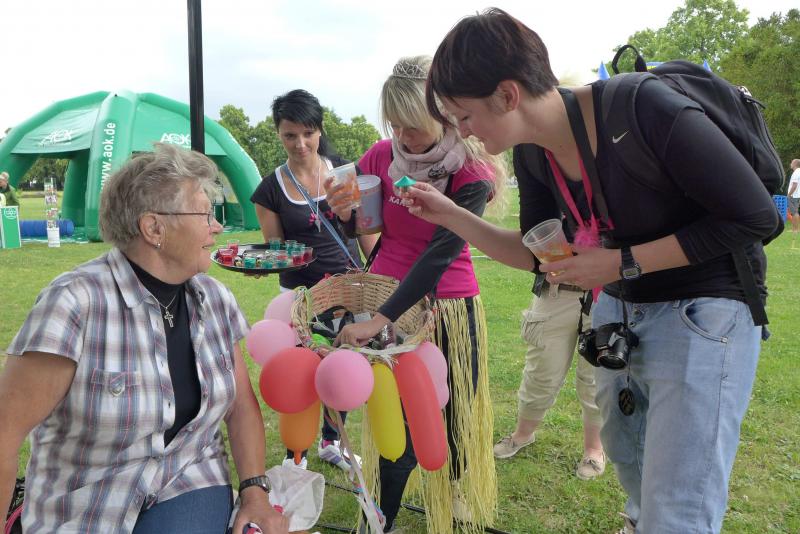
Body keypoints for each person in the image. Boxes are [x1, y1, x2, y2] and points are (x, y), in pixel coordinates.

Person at [404, 8, 779, 534]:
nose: (463, 131)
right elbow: (539, 256)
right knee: (633, 467)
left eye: (463, 116)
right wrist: (450, 215)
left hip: (705, 313)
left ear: (507, 95)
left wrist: (623, 261)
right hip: (620, 313)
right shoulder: (534, 154)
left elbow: (757, 216)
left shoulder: (642, 107)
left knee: (678, 509)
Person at [0, 144, 289, 534]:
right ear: (154, 229)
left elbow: (240, 407)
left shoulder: (215, 300)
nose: (217, 227)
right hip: (87, 502)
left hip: (187, 480)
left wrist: (254, 491)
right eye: (205, 214)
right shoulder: (74, 304)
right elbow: (5, 433)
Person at [326, 55, 506, 534]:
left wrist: (378, 319)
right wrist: (344, 211)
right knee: (395, 421)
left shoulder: (471, 170)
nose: (402, 137)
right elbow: (366, 226)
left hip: (447, 307)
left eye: (412, 124)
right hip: (386, 300)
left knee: (457, 413)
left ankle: (454, 488)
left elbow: (440, 255)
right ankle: (380, 516)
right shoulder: (380, 157)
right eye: (394, 125)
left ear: (442, 114)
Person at [250, 89, 374, 472]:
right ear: (278, 134)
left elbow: (366, 235)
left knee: (344, 365)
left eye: (308, 133)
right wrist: (262, 263)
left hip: (347, 291)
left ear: (319, 130)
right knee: (300, 371)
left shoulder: (344, 173)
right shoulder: (270, 189)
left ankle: (331, 441)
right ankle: (296, 454)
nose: (300, 143)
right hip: (299, 295)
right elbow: (276, 249)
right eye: (290, 135)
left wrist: (379, 273)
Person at [493, 268, 605, 481]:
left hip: (604, 295)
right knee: (541, 372)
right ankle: (522, 434)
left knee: (595, 379)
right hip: (555, 290)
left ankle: (594, 449)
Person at [788, 159, 800, 235]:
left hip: (793, 195)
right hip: (797, 195)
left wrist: (789, 195)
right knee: (795, 212)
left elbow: (794, 185)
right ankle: (795, 229)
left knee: (794, 212)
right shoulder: (798, 172)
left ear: (795, 163)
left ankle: (795, 230)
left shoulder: (796, 173)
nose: (791, 164)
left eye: (791, 162)